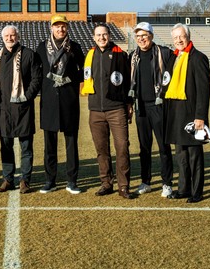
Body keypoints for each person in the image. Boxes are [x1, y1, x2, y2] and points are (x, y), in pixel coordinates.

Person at [81, 24, 133, 199]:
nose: (101, 37)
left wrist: (129, 103)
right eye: (98, 35)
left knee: (122, 147)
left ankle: (124, 185)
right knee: (101, 149)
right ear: (93, 37)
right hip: (95, 110)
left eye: (104, 34)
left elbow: (128, 83)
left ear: (109, 35)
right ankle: (106, 183)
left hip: (116, 108)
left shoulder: (120, 54)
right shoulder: (89, 55)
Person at [37, 14, 85, 194]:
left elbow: (84, 72)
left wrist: (69, 79)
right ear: (51, 28)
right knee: (50, 145)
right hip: (49, 101)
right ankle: (50, 180)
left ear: (67, 28)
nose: (60, 29)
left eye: (63, 26)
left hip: (69, 100)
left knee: (71, 144)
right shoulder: (42, 47)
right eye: (57, 26)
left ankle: (72, 181)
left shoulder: (76, 47)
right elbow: (37, 72)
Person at [0, 25, 42, 194]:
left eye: (12, 35)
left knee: (26, 147)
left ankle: (25, 180)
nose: (9, 38)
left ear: (18, 36)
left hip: (23, 109)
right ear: (2, 37)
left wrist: (26, 97)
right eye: (6, 35)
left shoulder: (29, 54)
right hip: (2, 109)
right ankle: (7, 179)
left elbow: (36, 79)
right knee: (5, 147)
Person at [128, 21, 175, 198]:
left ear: (151, 37)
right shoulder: (133, 56)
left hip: (159, 106)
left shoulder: (164, 53)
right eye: (138, 37)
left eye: (144, 36)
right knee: (144, 148)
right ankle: (146, 181)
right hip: (141, 107)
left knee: (164, 147)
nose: (141, 40)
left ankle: (167, 183)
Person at [165, 23, 210, 203]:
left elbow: (203, 90)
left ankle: (197, 191)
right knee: (181, 155)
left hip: (192, 115)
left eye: (181, 36)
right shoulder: (173, 58)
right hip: (176, 113)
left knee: (194, 156)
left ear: (188, 36)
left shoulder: (198, 58)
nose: (178, 40)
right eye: (175, 37)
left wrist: (200, 117)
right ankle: (183, 188)